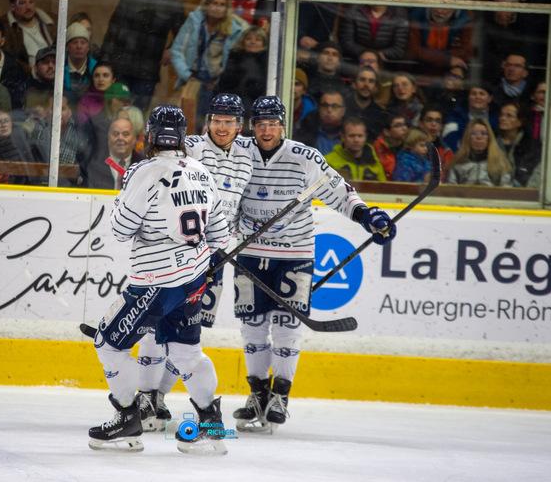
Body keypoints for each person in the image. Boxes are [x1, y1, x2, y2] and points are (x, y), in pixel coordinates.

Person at [231, 96, 395, 432]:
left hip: (295, 252)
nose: (266, 131)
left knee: (287, 324)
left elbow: (339, 191)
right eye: (260, 124)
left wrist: (367, 217)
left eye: (272, 124)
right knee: (252, 325)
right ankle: (258, 394)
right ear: (252, 126)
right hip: (250, 251)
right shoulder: (237, 151)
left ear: (283, 125)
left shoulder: (304, 157)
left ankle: (280, 396)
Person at [89, 105, 230, 455]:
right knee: (187, 352)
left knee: (108, 343)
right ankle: (212, 427)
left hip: (155, 282)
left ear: (149, 135)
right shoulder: (202, 171)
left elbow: (121, 229)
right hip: (192, 279)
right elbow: (220, 236)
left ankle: (127, 419)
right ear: (182, 137)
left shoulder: (143, 171)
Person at [134, 94, 255, 432]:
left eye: (228, 122)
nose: (222, 127)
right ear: (207, 122)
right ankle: (146, 396)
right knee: (155, 323)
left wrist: (228, 243)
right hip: (178, 254)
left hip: (216, 256)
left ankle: (157, 396)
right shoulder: (190, 148)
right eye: (216, 120)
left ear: (239, 126)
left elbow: (237, 208)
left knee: (188, 333)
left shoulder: (247, 157)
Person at [100, 0, 185, 111]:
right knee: (116, 109)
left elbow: (183, 33)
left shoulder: (173, 3)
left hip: (148, 69)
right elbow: (114, 28)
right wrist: (105, 61)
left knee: (138, 113)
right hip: (123, 64)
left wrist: (172, 49)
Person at [171, 0, 247, 121]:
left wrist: (219, 80)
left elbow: (234, 61)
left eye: (222, 5)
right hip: (192, 79)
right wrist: (187, 75)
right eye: (214, 3)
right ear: (206, 5)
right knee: (187, 120)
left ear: (227, 9)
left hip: (217, 84)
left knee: (211, 121)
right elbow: (176, 51)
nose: (217, 8)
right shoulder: (194, 20)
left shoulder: (234, 28)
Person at [338, 0, 409, 65]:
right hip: (354, 63)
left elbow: (399, 49)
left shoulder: (399, 14)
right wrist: (367, 55)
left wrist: (376, 56)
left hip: (386, 65)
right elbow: (346, 42)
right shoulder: (353, 10)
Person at [408, 0, 472, 78]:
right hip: (420, 67)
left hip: (451, 67)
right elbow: (414, 50)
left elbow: (465, 51)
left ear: (455, 8)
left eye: (446, 7)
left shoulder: (464, 21)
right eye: (436, 5)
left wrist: (430, 55)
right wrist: (446, 60)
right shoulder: (417, 16)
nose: (440, 11)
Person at [3, 0, 55, 74]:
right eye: (22, 3)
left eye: (31, 2)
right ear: (12, 6)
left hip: (54, 73)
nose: (28, 7)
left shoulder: (49, 23)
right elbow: (9, 59)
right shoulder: (5, 28)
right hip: (26, 76)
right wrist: (32, 71)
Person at [447, 118, 512, 186]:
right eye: (474, 134)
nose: (479, 137)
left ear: (489, 138)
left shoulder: (500, 163)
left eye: (483, 134)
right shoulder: (457, 163)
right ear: (468, 138)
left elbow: (506, 189)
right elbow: (450, 188)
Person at [216, 26, 268, 106]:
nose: (252, 42)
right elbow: (224, 84)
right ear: (243, 41)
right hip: (233, 103)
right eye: (248, 39)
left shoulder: (268, 61)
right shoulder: (234, 57)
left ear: (264, 43)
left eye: (258, 40)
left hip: (259, 104)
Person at [324, 117, 387, 182]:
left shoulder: (374, 162)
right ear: (343, 137)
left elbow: (383, 186)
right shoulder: (328, 161)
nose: (356, 140)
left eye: (360, 136)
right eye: (351, 136)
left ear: (366, 137)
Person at [85, 117, 141, 190]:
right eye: (115, 134)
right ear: (108, 138)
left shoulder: (143, 166)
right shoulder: (94, 164)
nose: (120, 138)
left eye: (125, 134)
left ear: (134, 139)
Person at [495, 101, 541, 187]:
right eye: (501, 115)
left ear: (520, 122)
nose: (503, 118)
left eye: (509, 116)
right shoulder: (492, 140)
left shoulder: (531, 145)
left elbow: (528, 172)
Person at [296, 89, 346, 155]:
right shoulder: (305, 130)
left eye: (334, 106)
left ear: (343, 110)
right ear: (319, 108)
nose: (329, 110)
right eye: (325, 105)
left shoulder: (351, 133)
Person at [418, 105, 455, 176]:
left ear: (442, 126)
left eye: (438, 121)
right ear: (421, 123)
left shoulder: (447, 152)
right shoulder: (411, 148)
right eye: (429, 120)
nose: (433, 124)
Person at [63, 22, 97, 96]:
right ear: (67, 47)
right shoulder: (59, 67)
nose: (79, 46)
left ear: (88, 47)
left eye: (83, 42)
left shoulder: (96, 68)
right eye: (75, 42)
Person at [374, 112, 409, 179]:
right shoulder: (377, 148)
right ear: (386, 132)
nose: (404, 128)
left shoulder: (410, 147)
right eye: (398, 126)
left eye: (405, 125)